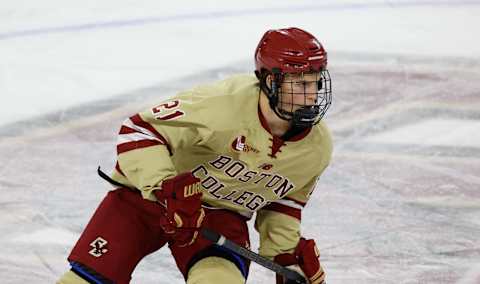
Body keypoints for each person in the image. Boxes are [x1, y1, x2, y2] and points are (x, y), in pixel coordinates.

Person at [57, 27, 332, 284]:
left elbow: (284, 202)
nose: (310, 97)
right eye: (299, 85)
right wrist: (165, 187)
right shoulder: (220, 106)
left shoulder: (317, 148)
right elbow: (139, 130)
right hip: (145, 199)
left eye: (314, 83)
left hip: (220, 217)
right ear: (271, 81)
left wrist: (285, 258)